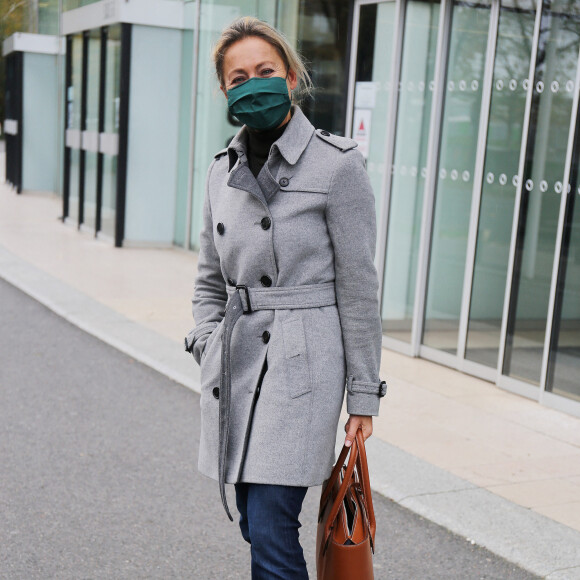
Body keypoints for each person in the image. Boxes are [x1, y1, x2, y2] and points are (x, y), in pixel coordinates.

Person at [185, 16, 386, 580]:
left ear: (292, 75)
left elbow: (359, 288)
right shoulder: (219, 172)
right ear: (225, 90)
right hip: (240, 361)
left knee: (272, 522)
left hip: (304, 365)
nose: (254, 83)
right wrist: (207, 340)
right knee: (255, 520)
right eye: (239, 76)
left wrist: (364, 395)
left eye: (266, 71)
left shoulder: (338, 164)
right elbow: (208, 278)